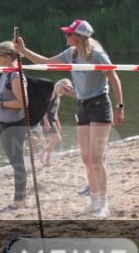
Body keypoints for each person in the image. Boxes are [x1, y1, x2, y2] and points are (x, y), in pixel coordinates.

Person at [15, 20, 124, 218]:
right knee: (86, 159)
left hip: (100, 105)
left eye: (69, 34)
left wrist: (120, 107)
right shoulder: (71, 54)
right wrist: (24, 51)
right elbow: (45, 62)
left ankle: (103, 204)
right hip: (82, 105)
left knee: (97, 158)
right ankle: (94, 201)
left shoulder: (97, 55)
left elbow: (114, 79)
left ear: (79, 37)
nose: (65, 36)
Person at [0, 42, 28, 211]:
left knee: (17, 162)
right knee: (14, 161)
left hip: (14, 124)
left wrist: (0, 104)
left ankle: (19, 200)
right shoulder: (5, 73)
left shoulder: (14, 75)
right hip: (6, 123)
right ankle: (20, 198)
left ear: (7, 57)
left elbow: (23, 102)